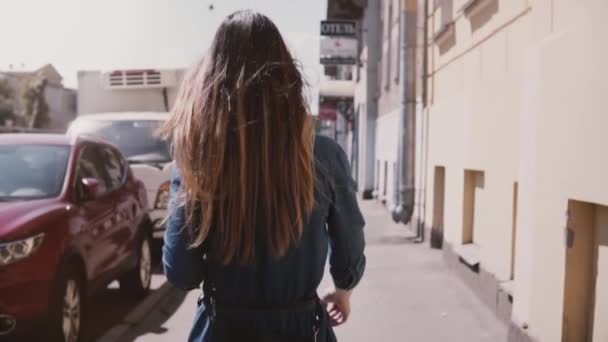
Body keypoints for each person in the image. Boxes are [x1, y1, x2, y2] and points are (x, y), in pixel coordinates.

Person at [160, 10, 365, 342]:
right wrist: (344, 289)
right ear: (286, 78)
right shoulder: (323, 156)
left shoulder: (198, 159)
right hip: (300, 328)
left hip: (223, 329)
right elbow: (350, 238)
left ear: (211, 82)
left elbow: (181, 272)